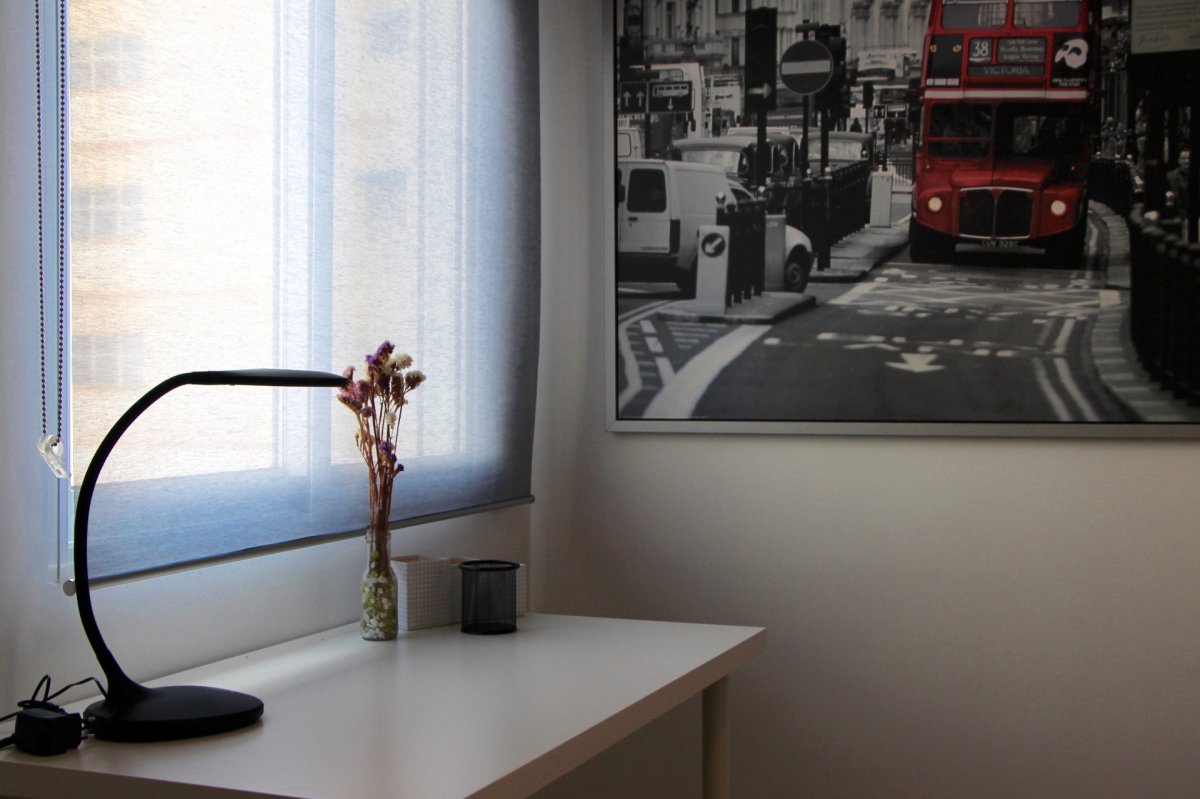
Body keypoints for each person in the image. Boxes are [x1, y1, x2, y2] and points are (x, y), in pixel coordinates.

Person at [1167, 149, 1190, 213]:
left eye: (1189, 158)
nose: (1187, 161)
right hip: (1176, 213)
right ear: (1179, 160)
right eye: (1183, 158)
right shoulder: (1170, 177)